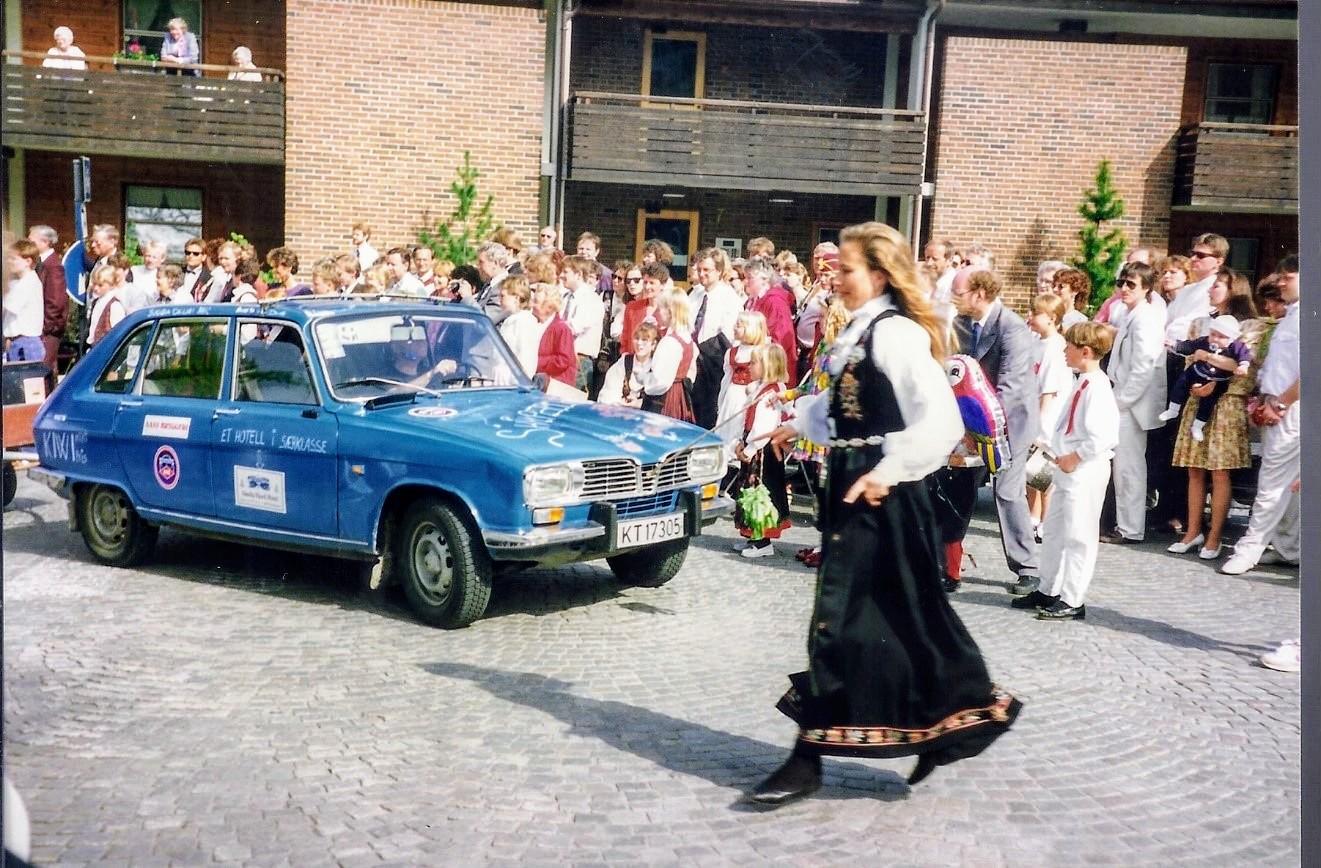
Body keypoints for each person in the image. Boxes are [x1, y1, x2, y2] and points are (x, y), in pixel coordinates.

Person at [753, 221, 1020, 807]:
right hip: (854, 486)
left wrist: (887, 470)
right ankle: (948, 719)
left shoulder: (895, 334)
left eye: (846, 268)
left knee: (845, 620)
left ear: (877, 273)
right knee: (901, 619)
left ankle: (808, 758)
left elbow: (942, 421)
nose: (835, 276)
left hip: (882, 498)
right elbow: (848, 402)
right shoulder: (862, 330)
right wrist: (796, 423)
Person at [1012, 322, 1120, 620]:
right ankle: (1048, 589)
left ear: (1085, 351)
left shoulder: (1098, 387)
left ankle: (1073, 598)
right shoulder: (1080, 381)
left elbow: (1105, 435)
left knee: (1079, 536)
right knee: (1055, 532)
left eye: (1069, 346)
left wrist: (1077, 455)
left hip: (1085, 469)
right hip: (1066, 467)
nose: (1064, 350)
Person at [950, 266, 1041, 595]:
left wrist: (981, 428)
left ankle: (1027, 568)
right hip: (972, 420)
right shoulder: (960, 324)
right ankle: (947, 564)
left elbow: (1010, 389)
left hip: (1012, 422)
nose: (952, 298)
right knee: (957, 485)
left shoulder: (1012, 327)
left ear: (979, 294)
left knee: (1007, 490)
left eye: (958, 293)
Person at [1166, 267, 1258, 561]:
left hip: (1227, 401)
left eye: (1217, 285)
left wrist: (1209, 361)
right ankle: (1193, 531)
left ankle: (1215, 536)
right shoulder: (1199, 323)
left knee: (1219, 471)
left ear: (1234, 290)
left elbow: (1245, 370)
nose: (1210, 289)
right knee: (1194, 469)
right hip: (1197, 397)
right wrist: (1197, 382)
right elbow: (1189, 359)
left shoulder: (1251, 327)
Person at [1221, 255, 1300, 576]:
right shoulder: (1292, 316)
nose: (1280, 282)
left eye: (1288, 276)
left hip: (1291, 410)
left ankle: (1249, 548)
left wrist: (1280, 402)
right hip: (1276, 405)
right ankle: (1288, 547)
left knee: (1270, 483)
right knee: (1288, 484)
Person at [1099, 262, 1166, 545]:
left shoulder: (1145, 318)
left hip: (1131, 405)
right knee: (1124, 468)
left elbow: (1144, 368)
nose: (1124, 288)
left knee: (1129, 468)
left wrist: (1121, 402)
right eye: (1122, 283)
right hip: (1123, 398)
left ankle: (1130, 529)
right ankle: (1125, 525)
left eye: (1132, 284)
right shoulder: (1129, 314)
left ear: (1147, 288)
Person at [730, 343, 791, 558]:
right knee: (747, 491)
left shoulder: (771, 394)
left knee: (760, 494)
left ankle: (763, 541)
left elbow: (764, 426)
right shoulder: (757, 389)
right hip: (750, 445)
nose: (749, 366)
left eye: (754, 363)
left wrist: (750, 447)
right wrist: (739, 441)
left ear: (768, 366)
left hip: (762, 452)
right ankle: (752, 536)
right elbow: (744, 418)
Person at [1158, 315, 1252, 443]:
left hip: (1218, 380)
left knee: (1208, 403)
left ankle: (1198, 426)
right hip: (1197, 372)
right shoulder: (1204, 341)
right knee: (1181, 383)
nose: (1215, 339)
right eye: (1213, 334)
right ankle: (1173, 409)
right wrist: (1175, 345)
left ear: (1230, 338)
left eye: (1221, 337)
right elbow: (1189, 346)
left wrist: (1243, 365)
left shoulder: (1235, 346)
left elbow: (1244, 356)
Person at [1026, 293, 1072, 542]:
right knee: (1030, 475)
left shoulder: (1055, 348)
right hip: (1033, 414)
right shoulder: (1037, 342)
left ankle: (1047, 521)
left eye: (1036, 313)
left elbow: (1049, 392)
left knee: (1044, 475)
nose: (1030, 317)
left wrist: (1039, 427)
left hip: (1049, 420)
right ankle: (1032, 517)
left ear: (1052, 318)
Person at [714, 310, 770, 459]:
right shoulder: (731, 353)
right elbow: (726, 379)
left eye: (738, 325)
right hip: (732, 396)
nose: (734, 327)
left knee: (740, 426)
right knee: (727, 426)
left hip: (749, 396)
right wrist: (721, 402)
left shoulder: (761, 352)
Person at [637, 290, 696, 422]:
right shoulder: (687, 338)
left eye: (660, 308)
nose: (658, 312)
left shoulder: (670, 342)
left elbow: (660, 382)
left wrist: (642, 379)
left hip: (665, 399)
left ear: (670, 312)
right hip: (679, 395)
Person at [26, 225, 68, 375]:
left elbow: (55, 301)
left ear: (45, 242)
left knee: (45, 371)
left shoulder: (53, 266)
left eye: (32, 241)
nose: (29, 244)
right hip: (43, 328)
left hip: (48, 331)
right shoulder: (42, 264)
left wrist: (45, 328)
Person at [597, 322, 657, 407]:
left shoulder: (656, 366)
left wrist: (639, 404)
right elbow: (609, 391)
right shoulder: (624, 362)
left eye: (644, 340)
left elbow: (658, 401)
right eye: (637, 338)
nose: (639, 343)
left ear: (653, 344)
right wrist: (618, 402)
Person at [5, 240, 46, 362]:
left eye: (13, 259)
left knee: (28, 380)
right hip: (17, 341)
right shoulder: (18, 282)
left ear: (28, 261)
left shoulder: (29, 282)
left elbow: (8, 306)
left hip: (27, 344)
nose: (9, 262)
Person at [531, 283, 576, 387]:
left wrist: (535, 361)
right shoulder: (535, 324)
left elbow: (563, 360)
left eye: (536, 302)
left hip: (554, 386)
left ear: (549, 307)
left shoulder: (561, 328)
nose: (532, 305)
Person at [497, 275, 539, 377]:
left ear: (516, 298)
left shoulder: (525, 321)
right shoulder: (510, 319)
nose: (499, 300)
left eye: (503, 296)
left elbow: (526, 358)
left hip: (513, 382)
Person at [83, 265, 126, 352]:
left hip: (106, 349)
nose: (95, 288)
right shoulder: (96, 302)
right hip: (93, 347)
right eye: (94, 284)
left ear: (112, 285)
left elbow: (118, 332)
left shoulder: (114, 305)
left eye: (100, 285)